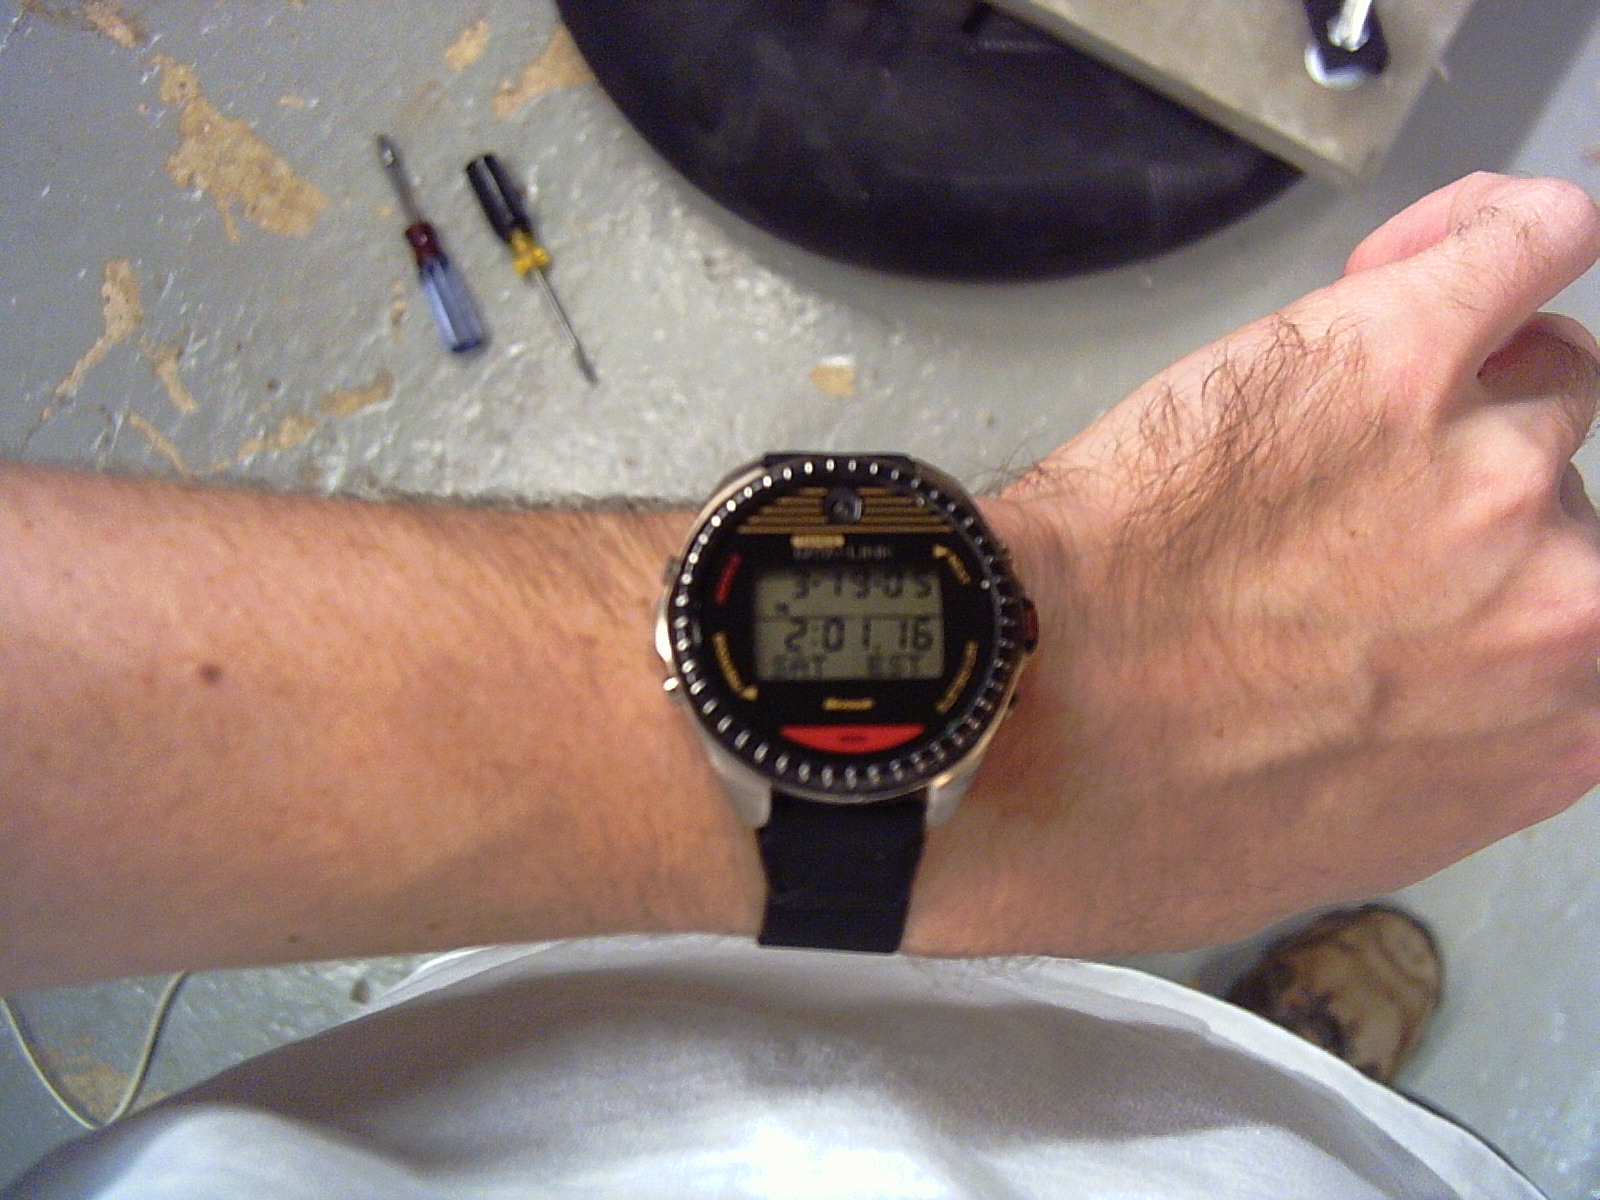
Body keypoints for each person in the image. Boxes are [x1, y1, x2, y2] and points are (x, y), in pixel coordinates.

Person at [2, 172, 1597, 1197]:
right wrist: (1104, 656)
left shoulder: (764, 636)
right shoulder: (781, 663)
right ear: (691, 639)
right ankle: (1231, 1081)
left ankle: (1180, 1073)